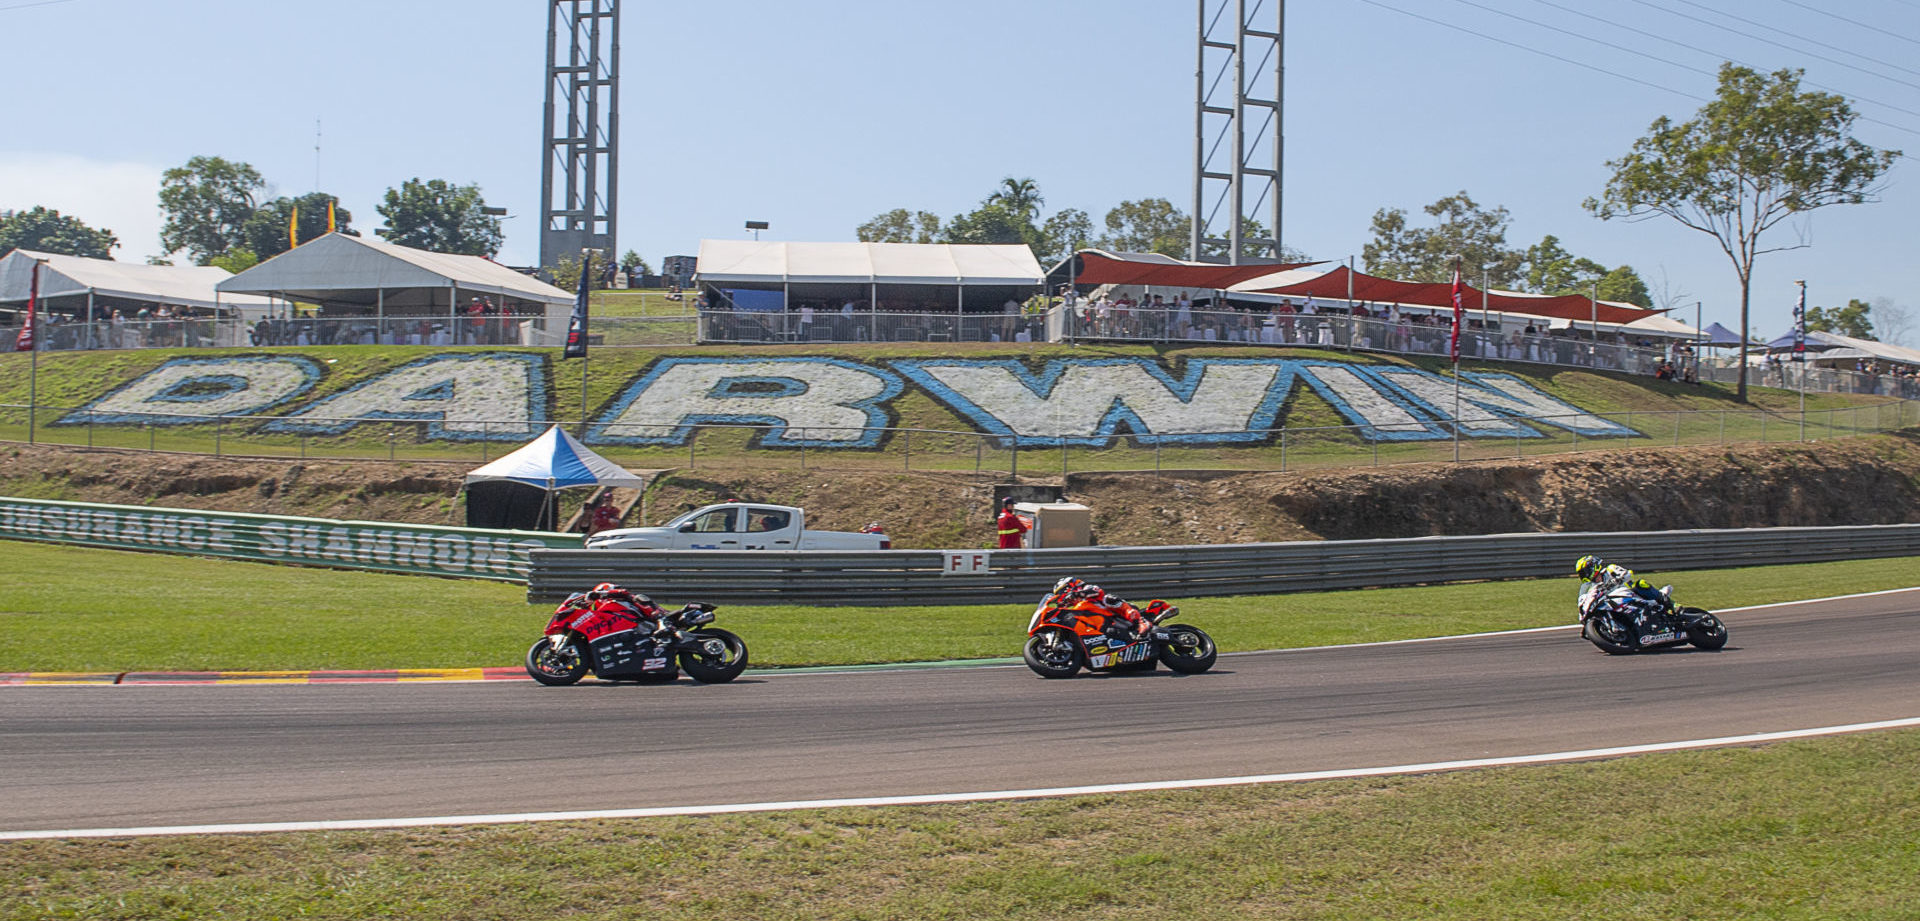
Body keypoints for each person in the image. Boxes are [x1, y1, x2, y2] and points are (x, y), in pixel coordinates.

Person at [1050, 577, 1152, 637]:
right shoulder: (1076, 608)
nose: (1061, 596)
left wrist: (1078, 594)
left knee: (1109, 599)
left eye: (1061, 593)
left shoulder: (1086, 589)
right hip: (1105, 626)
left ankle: (1141, 622)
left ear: (1069, 587)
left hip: (1116, 615)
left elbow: (1097, 590)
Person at [1573, 555, 1671, 614]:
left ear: (1592, 568)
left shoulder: (1610, 570)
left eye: (1584, 572)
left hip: (1632, 596)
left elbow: (1627, 574)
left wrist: (1617, 580)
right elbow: (1582, 599)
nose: (1583, 576)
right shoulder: (1588, 586)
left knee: (1640, 584)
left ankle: (1671, 605)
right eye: (1581, 574)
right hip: (1614, 605)